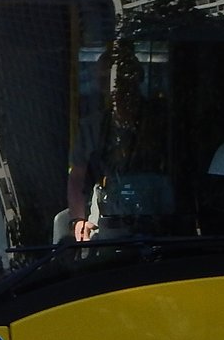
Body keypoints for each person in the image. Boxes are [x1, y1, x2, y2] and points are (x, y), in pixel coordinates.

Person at [66, 42, 168, 242]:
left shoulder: (161, 122)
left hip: (160, 220)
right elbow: (77, 177)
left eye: (124, 82)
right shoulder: (92, 128)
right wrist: (78, 220)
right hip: (109, 222)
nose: (118, 91)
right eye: (109, 84)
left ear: (138, 79)